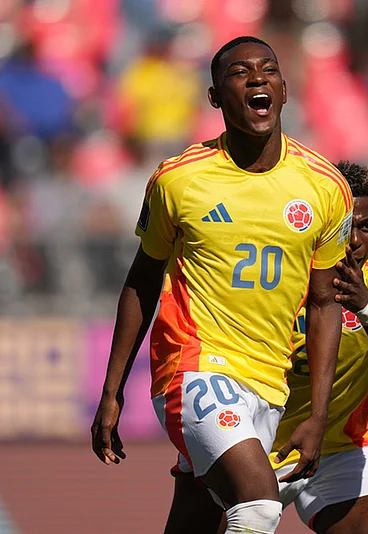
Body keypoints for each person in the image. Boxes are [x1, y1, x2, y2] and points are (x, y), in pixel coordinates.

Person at [90, 36, 352, 534]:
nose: (257, 78)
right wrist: (112, 390)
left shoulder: (325, 186)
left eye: (268, 69)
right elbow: (143, 280)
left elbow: (323, 303)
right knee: (257, 505)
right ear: (214, 97)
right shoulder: (179, 179)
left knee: (196, 519)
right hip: (193, 365)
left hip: (268, 382)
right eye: (240, 72)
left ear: (284, 89)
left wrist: (318, 413)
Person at [165, 161, 368, 534]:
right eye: (345, 226)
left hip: (338, 447)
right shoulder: (279, 264)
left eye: (367, 226)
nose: (355, 240)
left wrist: (367, 305)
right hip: (247, 440)